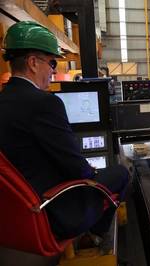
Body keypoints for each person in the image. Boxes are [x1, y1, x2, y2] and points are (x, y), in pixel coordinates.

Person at [0, 21, 128, 240]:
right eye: (51, 63)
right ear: (32, 62)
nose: (53, 71)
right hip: (54, 210)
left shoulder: (4, 100)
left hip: (20, 209)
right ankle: (97, 232)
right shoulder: (44, 103)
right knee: (122, 173)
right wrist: (92, 174)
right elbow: (75, 166)